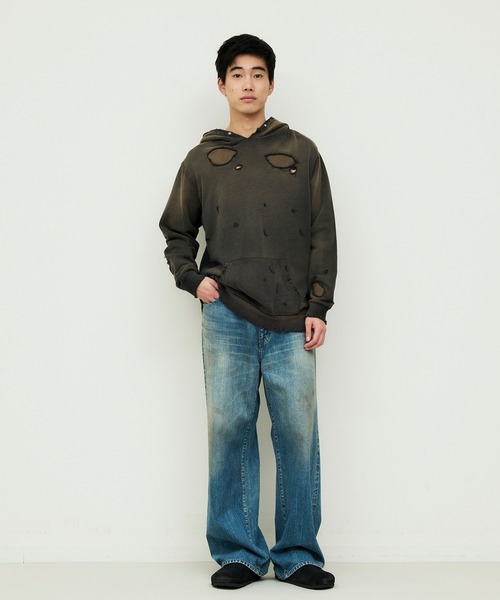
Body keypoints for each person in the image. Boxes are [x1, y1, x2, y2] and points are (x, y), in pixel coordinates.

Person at [159, 34, 337, 590]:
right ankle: (239, 552)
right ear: (222, 85)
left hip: (293, 319)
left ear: (271, 83)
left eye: (258, 74)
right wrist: (193, 279)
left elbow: (323, 232)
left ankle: (299, 555)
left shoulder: (302, 152)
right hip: (227, 315)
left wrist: (319, 303)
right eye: (237, 74)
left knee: (298, 433)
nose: (248, 84)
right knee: (230, 429)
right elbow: (176, 231)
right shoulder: (201, 159)